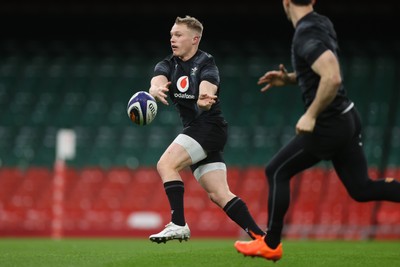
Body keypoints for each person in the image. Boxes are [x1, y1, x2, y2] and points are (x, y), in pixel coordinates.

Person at [234, 0, 400, 262]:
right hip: (347, 116)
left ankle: (271, 243)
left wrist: (311, 115)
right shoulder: (321, 22)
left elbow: (332, 76)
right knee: (362, 189)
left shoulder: (305, 33)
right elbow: (319, 68)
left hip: (329, 124)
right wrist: (289, 78)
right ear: (312, 1)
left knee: (276, 170)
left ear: (286, 2)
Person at [146, 15, 266, 244]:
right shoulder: (167, 64)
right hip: (201, 131)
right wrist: (155, 90)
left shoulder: (206, 63)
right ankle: (262, 239)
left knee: (166, 164)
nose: (172, 38)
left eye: (178, 35)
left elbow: (207, 87)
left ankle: (178, 224)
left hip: (208, 126)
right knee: (219, 194)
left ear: (195, 39)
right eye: (172, 34)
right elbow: (157, 81)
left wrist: (204, 99)